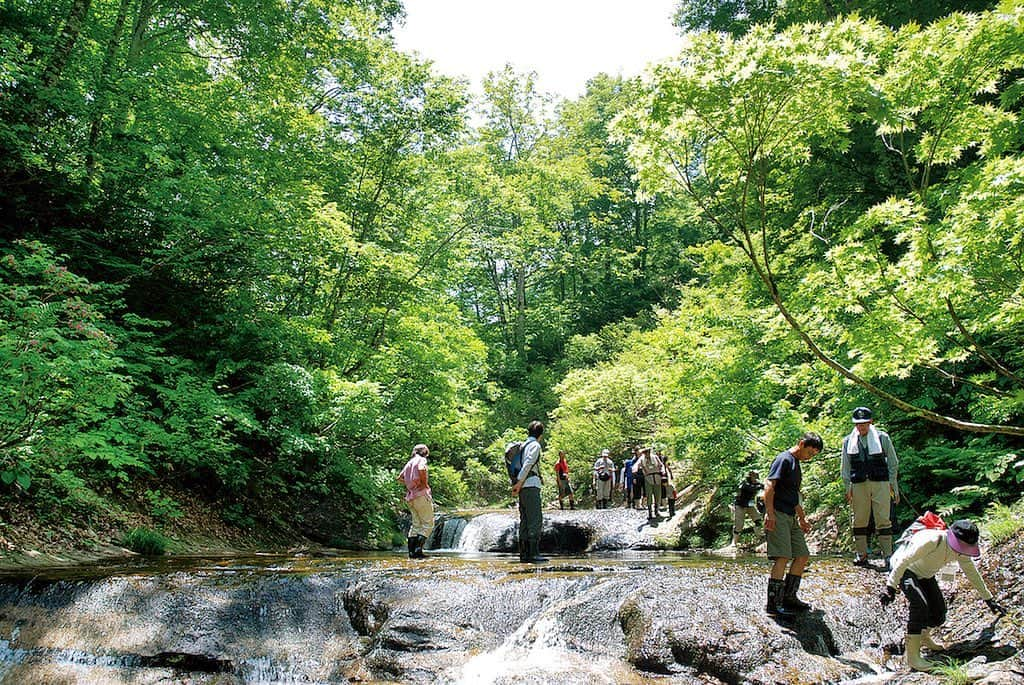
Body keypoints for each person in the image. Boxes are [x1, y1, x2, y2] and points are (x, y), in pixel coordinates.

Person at [880, 519, 1006, 672]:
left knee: (940, 613)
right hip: (905, 568)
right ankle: (912, 658)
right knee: (920, 605)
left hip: (926, 574)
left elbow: (972, 573)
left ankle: (924, 637)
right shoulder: (933, 541)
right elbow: (903, 561)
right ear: (954, 539)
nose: (962, 550)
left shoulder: (961, 552)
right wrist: (890, 587)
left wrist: (989, 599)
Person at [764, 432, 823, 617]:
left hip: (790, 516)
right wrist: (770, 513)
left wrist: (802, 518)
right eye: (810, 453)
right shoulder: (784, 459)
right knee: (782, 556)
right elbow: (769, 486)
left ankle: (790, 597)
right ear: (801, 444)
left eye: (813, 455)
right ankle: (773, 605)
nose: (810, 457)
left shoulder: (796, 464)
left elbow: (794, 495)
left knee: (802, 555)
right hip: (779, 514)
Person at [841, 407, 900, 567]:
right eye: (858, 424)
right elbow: (845, 468)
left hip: (881, 483)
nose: (861, 427)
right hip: (858, 485)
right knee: (859, 520)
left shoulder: (882, 438)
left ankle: (888, 555)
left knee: (883, 519)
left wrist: (893, 485)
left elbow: (893, 463)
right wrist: (848, 488)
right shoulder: (848, 441)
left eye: (864, 424)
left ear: (870, 422)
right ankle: (862, 554)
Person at [511, 420, 547, 563]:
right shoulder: (535, 446)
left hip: (524, 487)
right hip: (530, 485)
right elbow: (528, 464)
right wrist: (519, 483)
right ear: (540, 435)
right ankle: (533, 553)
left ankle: (524, 554)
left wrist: (517, 484)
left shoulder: (523, 445)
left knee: (525, 519)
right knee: (534, 519)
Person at [397, 444, 433, 559]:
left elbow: (399, 478)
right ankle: (418, 551)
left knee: (416, 524)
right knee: (428, 524)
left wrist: (410, 485)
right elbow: (422, 469)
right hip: (421, 495)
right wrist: (424, 484)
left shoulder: (409, 462)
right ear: (424, 452)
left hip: (410, 496)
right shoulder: (421, 460)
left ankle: (411, 553)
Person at [732, 470, 764, 547]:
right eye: (754, 477)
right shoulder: (744, 483)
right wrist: (759, 486)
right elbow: (751, 488)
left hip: (749, 505)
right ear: (750, 477)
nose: (755, 479)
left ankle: (760, 536)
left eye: (756, 477)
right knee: (739, 525)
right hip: (740, 505)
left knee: (758, 520)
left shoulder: (756, 483)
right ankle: (734, 542)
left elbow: (762, 486)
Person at [638, 446, 664, 520]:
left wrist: (662, 472)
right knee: (649, 495)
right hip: (648, 478)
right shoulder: (642, 459)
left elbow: (661, 465)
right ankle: (650, 512)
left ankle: (657, 510)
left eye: (648, 451)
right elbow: (638, 466)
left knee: (658, 495)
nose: (647, 453)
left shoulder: (655, 457)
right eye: (645, 452)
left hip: (657, 477)